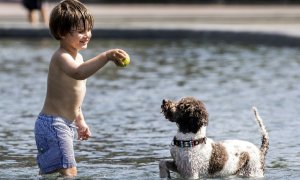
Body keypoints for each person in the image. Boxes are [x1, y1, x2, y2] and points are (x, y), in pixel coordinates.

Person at [34, 0, 130, 177]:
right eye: (80, 31)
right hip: (54, 124)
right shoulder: (61, 57)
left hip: (60, 124)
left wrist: (80, 121)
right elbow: (79, 74)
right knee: (69, 172)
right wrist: (106, 56)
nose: (87, 35)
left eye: (89, 29)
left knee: (53, 174)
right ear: (62, 33)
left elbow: (73, 97)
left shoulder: (78, 57)